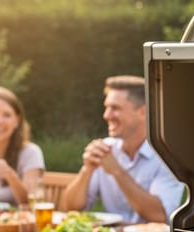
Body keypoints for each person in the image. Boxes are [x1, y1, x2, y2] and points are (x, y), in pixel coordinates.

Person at [63, 75, 185, 223]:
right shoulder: (105, 149)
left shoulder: (168, 156)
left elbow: (160, 215)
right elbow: (71, 209)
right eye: (106, 107)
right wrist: (86, 170)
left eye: (115, 108)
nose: (106, 115)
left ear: (142, 112)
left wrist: (117, 171)